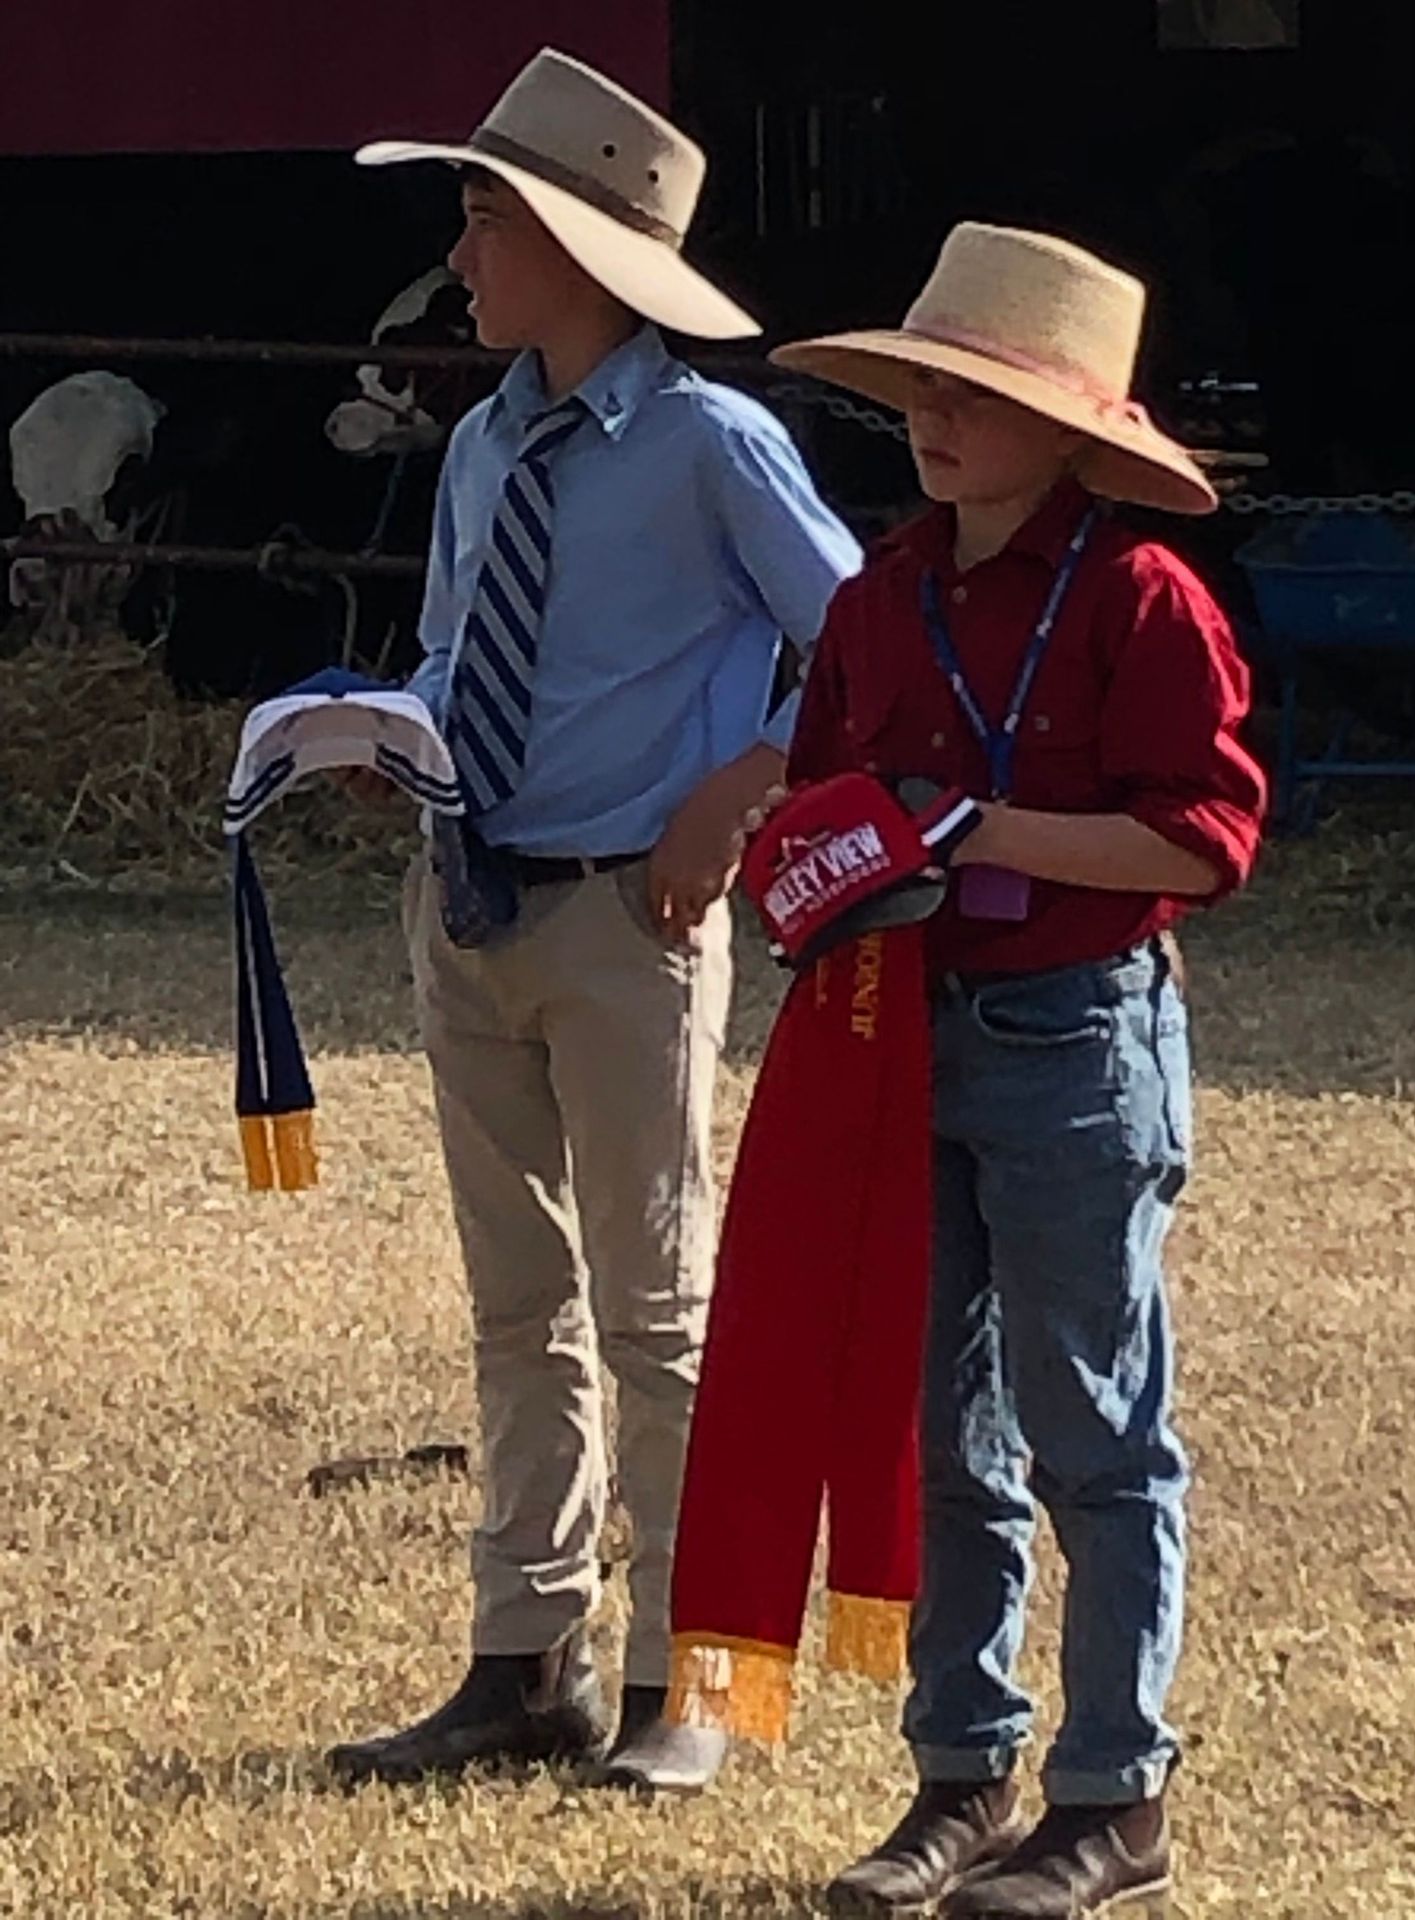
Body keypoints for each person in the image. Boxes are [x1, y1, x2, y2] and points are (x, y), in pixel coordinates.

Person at [325, 47, 861, 1793]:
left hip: (629, 913)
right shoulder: (486, 443)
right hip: (473, 898)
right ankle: (521, 1654)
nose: (463, 258)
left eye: (484, 222)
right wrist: (390, 742)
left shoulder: (714, 444)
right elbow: (455, 649)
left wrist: (740, 791)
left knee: (656, 1308)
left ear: (569, 246)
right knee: (515, 1301)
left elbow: (869, 659)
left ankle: (691, 1679)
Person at [769, 223, 1266, 1917]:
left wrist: (974, 825)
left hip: (1071, 1035)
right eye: (921, 385)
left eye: (974, 393)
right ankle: (961, 1775)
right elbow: (828, 804)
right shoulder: (876, 596)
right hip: (900, 1026)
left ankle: (1117, 1794)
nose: (934, 417)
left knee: (1097, 1430)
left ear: (1079, 433)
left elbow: (1202, 845)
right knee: (941, 1428)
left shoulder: (1142, 598)